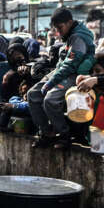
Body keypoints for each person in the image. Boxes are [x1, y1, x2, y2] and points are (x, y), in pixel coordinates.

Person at [27, 8, 95, 149]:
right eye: (56, 28)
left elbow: (70, 66)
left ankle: (64, 135)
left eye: (60, 27)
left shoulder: (79, 38)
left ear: (69, 22)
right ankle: (46, 134)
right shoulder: (70, 35)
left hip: (75, 74)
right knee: (33, 94)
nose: (59, 32)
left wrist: (50, 83)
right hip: (60, 71)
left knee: (50, 100)